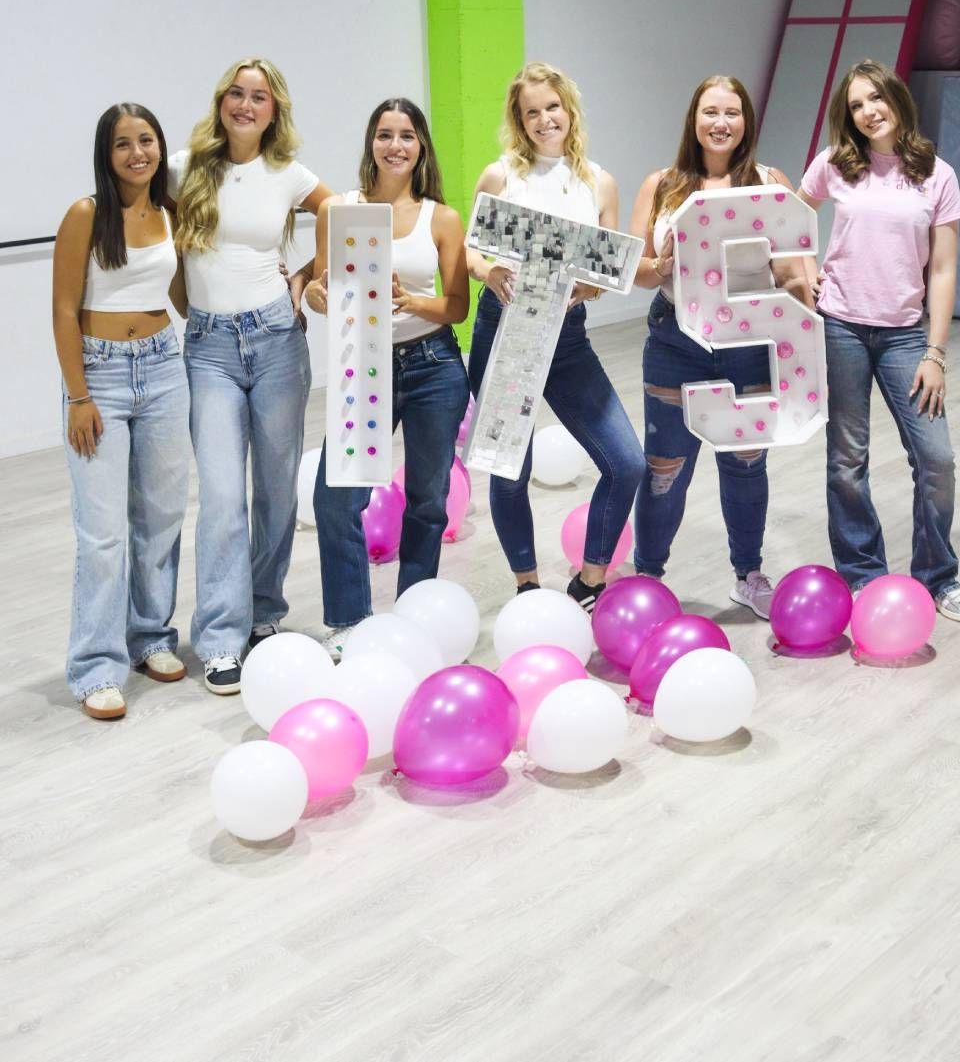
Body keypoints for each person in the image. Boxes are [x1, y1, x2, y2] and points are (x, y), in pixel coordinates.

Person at [172, 57, 332, 694]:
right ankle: (217, 637)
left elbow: (349, 217)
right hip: (208, 348)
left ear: (274, 110)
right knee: (219, 495)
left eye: (258, 96)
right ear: (221, 103)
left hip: (275, 341)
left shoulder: (289, 174)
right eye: (235, 94)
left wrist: (303, 278)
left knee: (275, 491)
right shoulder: (184, 169)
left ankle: (263, 612)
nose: (245, 104)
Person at [798, 59, 960, 621]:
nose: (869, 111)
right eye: (856, 104)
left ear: (897, 99)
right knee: (847, 460)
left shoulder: (937, 174)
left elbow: (943, 270)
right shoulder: (834, 165)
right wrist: (804, 266)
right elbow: (793, 215)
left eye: (877, 98)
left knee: (937, 458)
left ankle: (938, 577)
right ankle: (861, 575)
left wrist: (936, 353)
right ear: (846, 116)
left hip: (905, 337)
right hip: (841, 327)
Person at [465, 61, 645, 612]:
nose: (545, 119)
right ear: (519, 122)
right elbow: (470, 251)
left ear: (569, 110)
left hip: (567, 337)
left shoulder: (599, 182)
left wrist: (590, 289)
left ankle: (590, 579)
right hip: (506, 332)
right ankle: (526, 586)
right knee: (509, 471)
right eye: (531, 112)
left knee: (627, 462)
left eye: (553, 107)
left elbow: (610, 274)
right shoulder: (502, 177)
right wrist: (489, 271)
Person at [630, 75, 805, 620]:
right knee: (665, 467)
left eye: (732, 112)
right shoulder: (663, 184)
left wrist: (798, 290)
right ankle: (647, 579)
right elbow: (634, 268)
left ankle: (748, 575)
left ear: (746, 122)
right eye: (710, 112)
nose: (720, 123)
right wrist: (662, 264)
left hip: (747, 341)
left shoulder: (769, 180)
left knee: (746, 463)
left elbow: (793, 263)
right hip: (675, 340)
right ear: (694, 120)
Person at [301, 100, 471, 656]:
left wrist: (409, 299)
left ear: (421, 145)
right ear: (370, 143)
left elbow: (457, 307)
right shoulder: (341, 211)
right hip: (363, 363)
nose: (394, 146)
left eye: (406, 135)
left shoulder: (441, 219)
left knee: (428, 500)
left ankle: (414, 616)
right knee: (337, 499)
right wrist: (317, 296)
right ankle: (349, 621)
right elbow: (321, 285)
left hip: (434, 366)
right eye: (384, 135)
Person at [52, 104, 190, 720]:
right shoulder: (87, 214)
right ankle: (95, 667)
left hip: (164, 366)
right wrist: (79, 396)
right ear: (106, 156)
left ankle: (151, 638)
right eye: (123, 145)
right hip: (100, 375)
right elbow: (62, 309)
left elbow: (186, 292)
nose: (138, 153)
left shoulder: (171, 212)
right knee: (103, 533)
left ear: (160, 146)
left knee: (160, 516)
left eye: (147, 140)